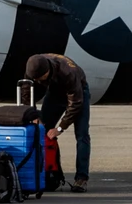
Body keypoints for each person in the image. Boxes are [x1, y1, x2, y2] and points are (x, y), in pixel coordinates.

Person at [23, 51, 90, 192]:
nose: (38, 81)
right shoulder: (33, 67)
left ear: (48, 71)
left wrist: (60, 129)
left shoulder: (68, 73)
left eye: (41, 78)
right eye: (35, 79)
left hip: (78, 93)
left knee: (82, 135)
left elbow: (75, 105)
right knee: (42, 131)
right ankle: (48, 173)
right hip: (54, 93)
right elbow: (26, 94)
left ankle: (81, 178)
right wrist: (34, 117)